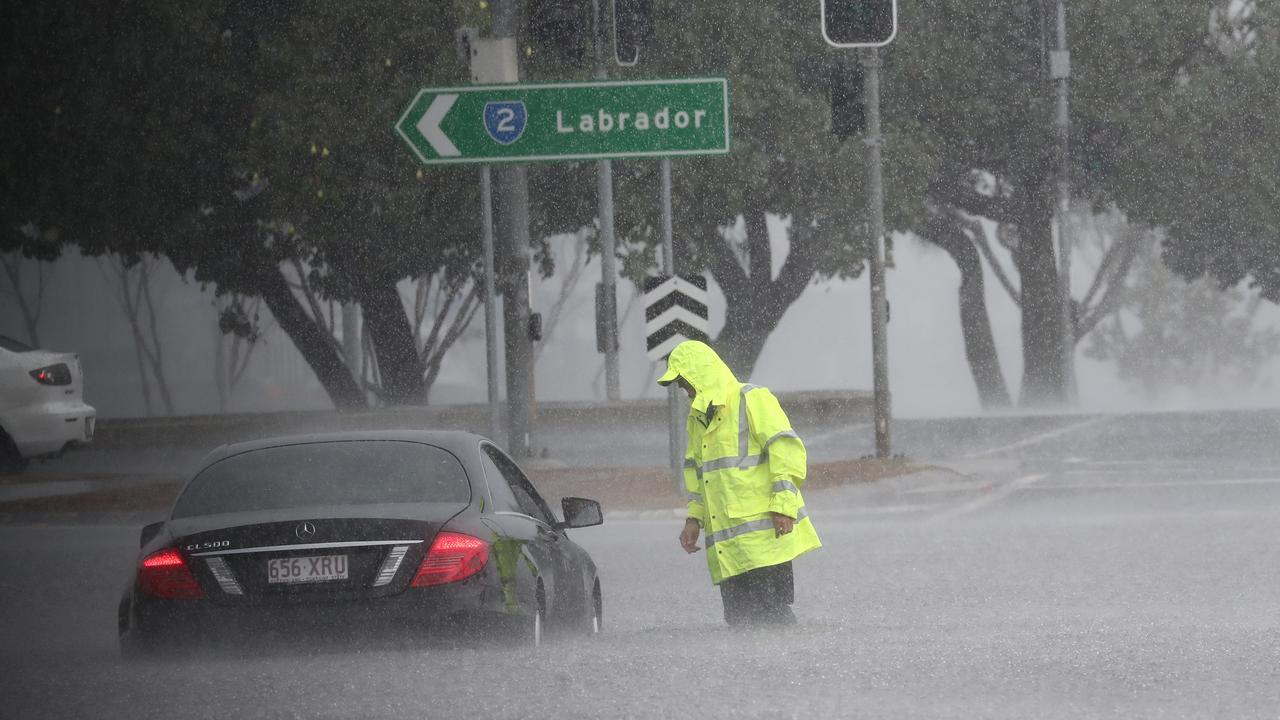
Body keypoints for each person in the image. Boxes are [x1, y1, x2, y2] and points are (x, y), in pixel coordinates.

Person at [657, 340, 821, 626]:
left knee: (774, 619)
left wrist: (784, 505)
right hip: (728, 550)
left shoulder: (752, 399)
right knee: (740, 623)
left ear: (701, 375)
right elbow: (698, 475)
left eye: (685, 383)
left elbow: (787, 451)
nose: (685, 391)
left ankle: (790, 667)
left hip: (765, 542)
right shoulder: (697, 419)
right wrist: (694, 520)